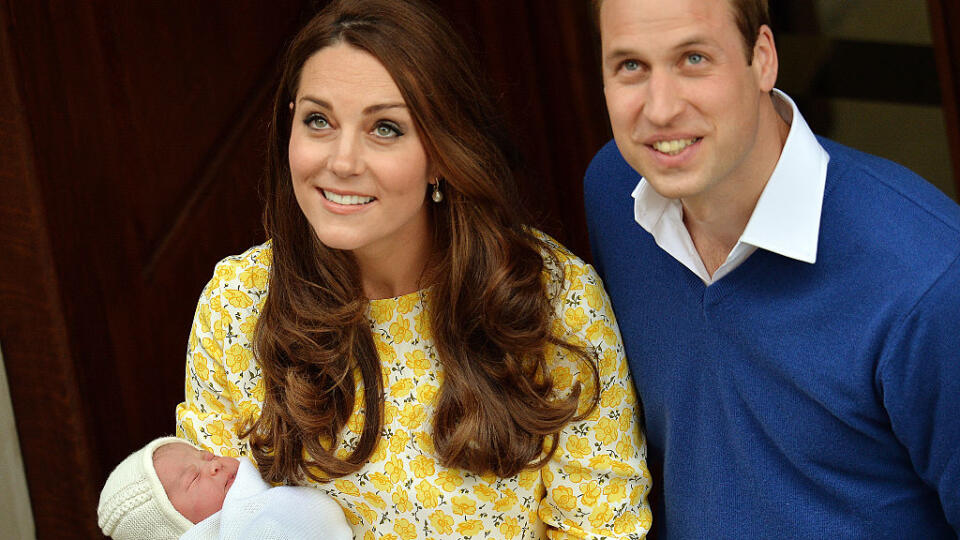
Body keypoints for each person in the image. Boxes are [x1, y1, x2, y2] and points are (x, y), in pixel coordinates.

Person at [176, 0, 652, 537]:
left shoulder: (549, 299)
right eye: (318, 120)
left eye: (385, 128)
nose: (342, 161)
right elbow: (208, 523)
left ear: (442, 152)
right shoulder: (238, 304)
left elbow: (604, 527)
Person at [584, 0, 960, 538]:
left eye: (693, 58)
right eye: (631, 67)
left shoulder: (929, 277)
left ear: (763, 58)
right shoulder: (614, 194)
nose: (660, 108)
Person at [97, 437, 352, 540]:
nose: (214, 466)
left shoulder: (253, 513)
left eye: (205, 456)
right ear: (179, 527)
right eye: (194, 478)